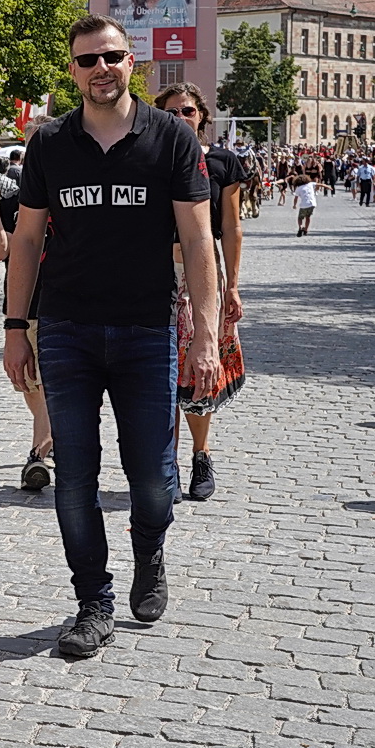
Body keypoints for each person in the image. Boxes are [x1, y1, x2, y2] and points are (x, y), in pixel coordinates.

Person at [6, 14, 220, 659]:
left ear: (134, 65)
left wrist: (205, 336)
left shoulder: (170, 140)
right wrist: (16, 328)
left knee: (153, 479)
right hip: (67, 328)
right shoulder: (50, 145)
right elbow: (25, 240)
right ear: (73, 71)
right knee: (75, 476)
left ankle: (149, 553)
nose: (102, 69)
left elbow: (198, 243)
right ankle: (92, 600)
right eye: (88, 60)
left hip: (147, 329)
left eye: (113, 57)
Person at [152, 83, 244, 503]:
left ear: (202, 117)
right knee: (159, 368)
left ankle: (200, 454)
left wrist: (233, 286)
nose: (179, 118)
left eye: (187, 111)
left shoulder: (223, 163)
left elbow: (232, 227)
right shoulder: (149, 160)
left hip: (201, 275)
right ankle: (165, 461)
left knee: (198, 369)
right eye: (170, 112)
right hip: (153, 273)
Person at [0, 133, 56, 490]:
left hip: (68, 305)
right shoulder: (13, 200)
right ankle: (52, 444)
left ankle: (40, 456)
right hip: (25, 306)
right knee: (30, 385)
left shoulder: (74, 192)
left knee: (52, 385)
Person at [289, 171, 328, 235]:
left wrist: (294, 205)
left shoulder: (298, 188)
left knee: (300, 218)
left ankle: (300, 227)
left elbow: (296, 198)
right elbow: (321, 184)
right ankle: (306, 230)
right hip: (312, 204)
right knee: (308, 217)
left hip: (303, 205)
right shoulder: (310, 184)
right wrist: (328, 187)